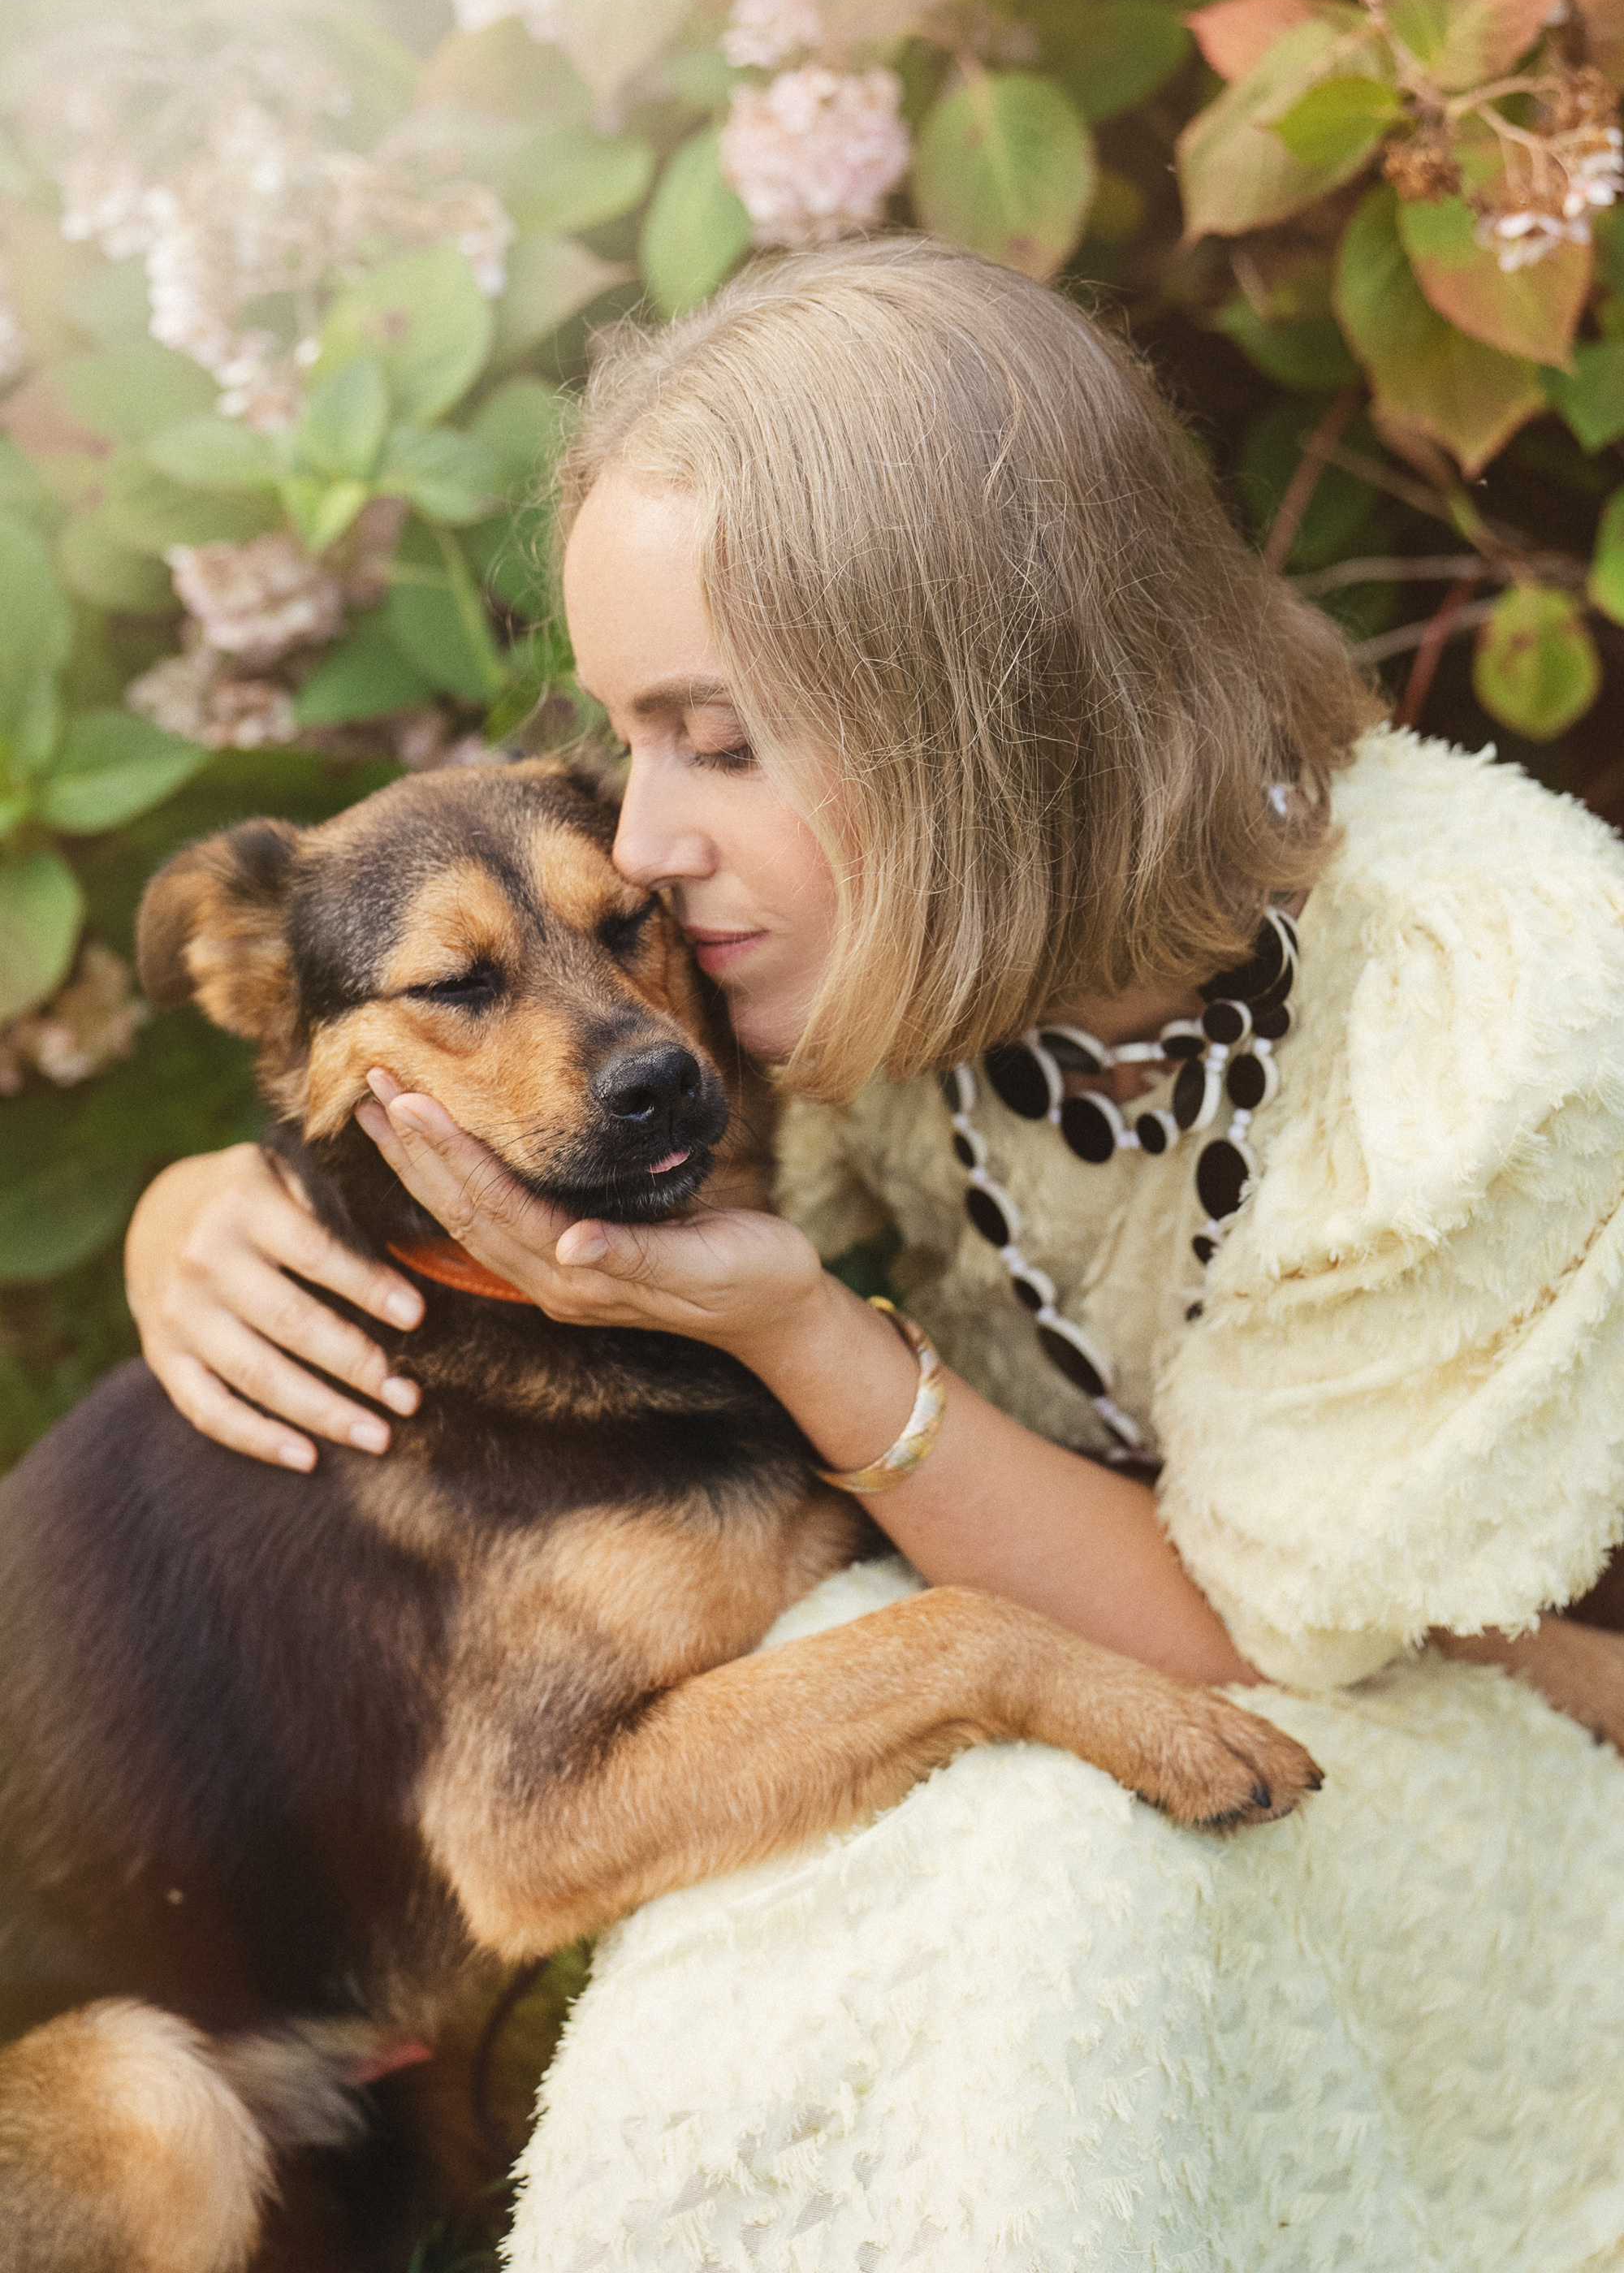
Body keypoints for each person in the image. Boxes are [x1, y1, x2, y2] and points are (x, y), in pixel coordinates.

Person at [126, 240, 1624, 2271]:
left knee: (1022, 1851)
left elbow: (1278, 1629)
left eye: (717, 741)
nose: (640, 848)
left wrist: (807, 1339)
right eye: (631, 739)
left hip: (1435, 1753)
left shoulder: (1482, 1016)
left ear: (983, 708)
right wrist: (202, 1209)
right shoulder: (836, 967)